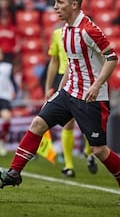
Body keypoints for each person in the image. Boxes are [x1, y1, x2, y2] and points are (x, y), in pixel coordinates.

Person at [1, 0, 120, 206]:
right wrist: (59, 89)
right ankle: (15, 172)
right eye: (55, 2)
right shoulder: (64, 30)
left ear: (74, 4)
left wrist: (97, 85)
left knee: (99, 150)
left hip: (91, 98)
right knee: (37, 124)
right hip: (68, 91)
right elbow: (72, 65)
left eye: (60, 3)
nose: (55, 7)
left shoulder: (88, 29)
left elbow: (112, 58)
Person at [44, 26, 98, 177]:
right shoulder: (57, 33)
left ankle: (88, 152)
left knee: (88, 120)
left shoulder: (86, 32)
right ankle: (69, 165)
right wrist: (48, 86)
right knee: (68, 123)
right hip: (64, 77)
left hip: (83, 78)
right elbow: (54, 60)